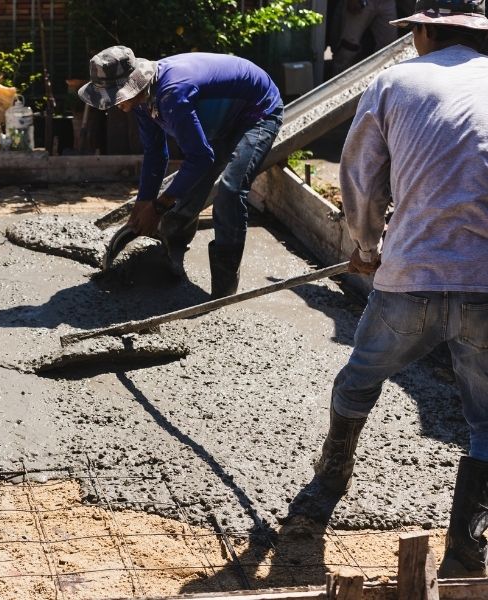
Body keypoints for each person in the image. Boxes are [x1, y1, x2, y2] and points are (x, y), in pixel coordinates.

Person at [310, 0, 488, 577]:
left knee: (358, 379)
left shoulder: (394, 82)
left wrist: (365, 248)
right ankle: (466, 553)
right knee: (486, 423)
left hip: (410, 277)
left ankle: (328, 482)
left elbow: (361, 178)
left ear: (427, 34)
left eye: (413, 33)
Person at [78, 47, 283, 298]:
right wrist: (143, 204)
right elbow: (155, 152)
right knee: (189, 188)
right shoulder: (142, 101)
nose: (116, 105)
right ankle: (170, 267)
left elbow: (200, 157)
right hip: (224, 116)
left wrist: (159, 207)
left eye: (116, 97)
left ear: (134, 84)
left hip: (257, 110)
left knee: (230, 190)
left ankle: (224, 289)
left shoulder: (172, 94)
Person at [333, 0, 400, 73]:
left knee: (389, 48)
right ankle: (337, 76)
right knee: (348, 46)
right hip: (362, 2)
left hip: (387, 3)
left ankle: (383, 77)